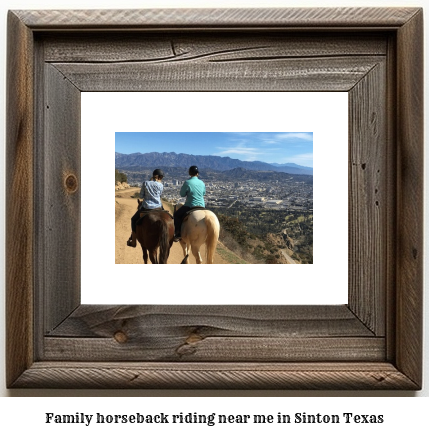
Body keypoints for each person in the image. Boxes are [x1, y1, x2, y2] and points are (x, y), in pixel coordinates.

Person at [127, 168, 164, 247]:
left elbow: (141, 196)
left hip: (147, 207)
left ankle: (133, 241)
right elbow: (160, 196)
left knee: (133, 219)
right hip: (158, 207)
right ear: (159, 177)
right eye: (161, 177)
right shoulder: (161, 185)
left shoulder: (145, 183)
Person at [173, 165, 206, 242]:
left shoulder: (187, 182)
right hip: (202, 206)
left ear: (189, 173)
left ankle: (178, 234)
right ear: (197, 173)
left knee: (177, 215)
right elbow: (203, 193)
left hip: (190, 206)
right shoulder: (202, 182)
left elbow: (182, 194)